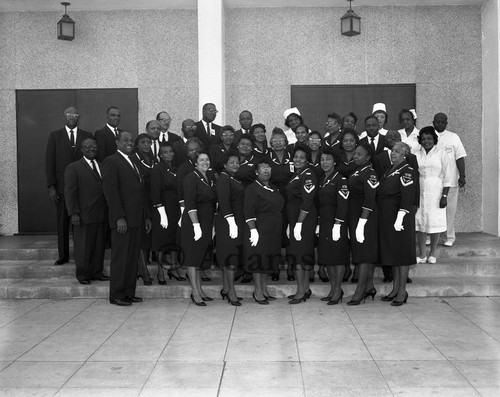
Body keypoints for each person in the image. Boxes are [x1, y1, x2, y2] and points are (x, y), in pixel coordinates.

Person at [102, 131, 152, 306]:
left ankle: (129, 293)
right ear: (117, 142)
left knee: (132, 259)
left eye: (132, 141)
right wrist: (119, 218)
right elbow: (111, 193)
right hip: (123, 221)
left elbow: (141, 192)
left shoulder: (134, 161)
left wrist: (146, 216)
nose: (129, 143)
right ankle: (116, 294)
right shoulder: (111, 162)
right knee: (121, 258)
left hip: (137, 219)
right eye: (126, 140)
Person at [45, 106, 93, 266]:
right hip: (62, 188)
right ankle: (63, 256)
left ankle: (83, 255)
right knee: (63, 223)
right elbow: (49, 162)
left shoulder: (87, 135)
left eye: (75, 114)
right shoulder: (55, 136)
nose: (72, 117)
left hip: (83, 188)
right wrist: (52, 186)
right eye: (69, 114)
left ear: (79, 117)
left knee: (81, 224)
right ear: (64, 116)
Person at [64, 137, 108, 285]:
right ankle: (83, 274)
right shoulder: (74, 167)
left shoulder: (102, 165)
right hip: (83, 215)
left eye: (94, 146)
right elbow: (70, 192)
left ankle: (97, 272)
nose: (92, 149)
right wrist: (73, 213)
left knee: (98, 245)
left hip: (100, 214)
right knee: (83, 246)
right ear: (82, 149)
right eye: (88, 146)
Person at [378, 142, 416, 306]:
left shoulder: (407, 171)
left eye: (398, 151)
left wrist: (400, 217)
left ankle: (402, 291)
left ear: (405, 155)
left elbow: (407, 196)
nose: (393, 153)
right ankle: (395, 289)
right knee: (393, 253)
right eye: (392, 150)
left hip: (399, 217)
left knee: (401, 255)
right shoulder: (390, 169)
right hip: (388, 216)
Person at [244, 159, 285, 304]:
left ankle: (264, 289)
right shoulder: (252, 188)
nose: (266, 170)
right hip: (259, 227)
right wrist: (253, 230)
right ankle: (258, 292)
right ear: (256, 172)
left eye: (268, 167)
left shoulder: (273, 187)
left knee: (267, 260)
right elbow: (248, 211)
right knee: (258, 260)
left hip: (272, 230)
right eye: (262, 168)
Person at [181, 152, 217, 306]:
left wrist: (213, 225)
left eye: (207, 159)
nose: (205, 162)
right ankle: (195, 293)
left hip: (207, 222)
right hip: (194, 223)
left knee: (200, 258)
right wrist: (196, 226)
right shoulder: (191, 178)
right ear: (195, 163)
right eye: (201, 160)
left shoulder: (210, 178)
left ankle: (200, 290)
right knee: (192, 258)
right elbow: (190, 204)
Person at [346, 142, 379, 306]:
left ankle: (360, 290)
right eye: (355, 154)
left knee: (364, 254)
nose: (355, 156)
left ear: (368, 157)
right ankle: (369, 286)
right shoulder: (358, 170)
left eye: (359, 154)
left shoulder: (370, 173)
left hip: (365, 217)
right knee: (361, 252)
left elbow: (370, 199)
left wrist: (362, 223)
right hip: (355, 215)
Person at [317, 147, 350, 305]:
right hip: (324, 221)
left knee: (337, 257)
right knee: (327, 257)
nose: (325, 162)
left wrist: (338, 224)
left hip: (336, 221)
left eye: (328, 159)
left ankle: (338, 290)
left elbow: (343, 205)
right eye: (322, 159)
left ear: (334, 161)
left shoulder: (340, 179)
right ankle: (332, 288)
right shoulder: (322, 179)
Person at [286, 144, 317, 304]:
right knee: (301, 255)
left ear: (307, 160)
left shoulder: (308, 174)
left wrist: (298, 223)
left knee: (299, 256)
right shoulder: (298, 174)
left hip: (304, 220)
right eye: (296, 157)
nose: (297, 159)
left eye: (301, 157)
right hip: (296, 219)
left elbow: (307, 200)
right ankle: (305, 289)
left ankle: (300, 291)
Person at [415, 127, 451, 264]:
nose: (426, 141)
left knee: (435, 222)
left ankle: (433, 253)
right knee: (420, 222)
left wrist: (444, 196)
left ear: (434, 139)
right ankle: (422, 254)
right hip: (420, 191)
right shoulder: (416, 155)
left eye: (429, 138)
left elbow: (448, 176)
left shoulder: (441, 153)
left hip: (436, 191)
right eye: (423, 139)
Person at [150, 142, 184, 283]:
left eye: (170, 151)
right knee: (162, 240)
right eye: (165, 152)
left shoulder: (176, 169)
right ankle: (160, 272)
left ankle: (174, 268)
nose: (169, 154)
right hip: (163, 209)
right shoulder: (157, 169)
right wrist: (161, 212)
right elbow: (155, 192)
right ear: (160, 155)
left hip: (175, 208)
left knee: (174, 239)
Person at [216, 151, 245, 306]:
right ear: (225, 164)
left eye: (237, 162)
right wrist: (231, 222)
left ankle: (226, 289)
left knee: (231, 257)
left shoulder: (232, 178)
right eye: (232, 162)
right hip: (228, 224)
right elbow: (224, 202)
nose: (235, 165)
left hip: (236, 222)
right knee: (230, 259)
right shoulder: (223, 179)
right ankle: (231, 293)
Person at [433, 112, 467, 247]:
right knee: (433, 209)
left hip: (451, 180)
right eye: (437, 121)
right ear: (433, 122)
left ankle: (450, 237)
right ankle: (431, 237)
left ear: (446, 123)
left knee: (450, 210)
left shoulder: (453, 137)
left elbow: (460, 157)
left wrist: (462, 176)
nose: (439, 124)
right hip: (433, 181)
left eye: (442, 122)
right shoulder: (428, 136)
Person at [267, 128, 294, 282]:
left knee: (289, 235)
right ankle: (274, 269)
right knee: (275, 233)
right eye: (275, 140)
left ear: (285, 141)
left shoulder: (292, 155)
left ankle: (291, 269)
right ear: (271, 143)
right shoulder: (267, 157)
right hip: (274, 198)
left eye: (280, 140)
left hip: (290, 198)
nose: (278, 142)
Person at [335, 128, 359, 282]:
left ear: (356, 142)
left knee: (356, 235)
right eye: (345, 140)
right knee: (342, 235)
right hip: (340, 201)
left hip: (357, 201)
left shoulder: (361, 155)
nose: (348, 143)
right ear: (341, 143)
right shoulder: (337, 156)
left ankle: (357, 267)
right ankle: (345, 266)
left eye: (351, 140)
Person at [132, 133, 157, 285]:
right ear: (137, 144)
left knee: (147, 239)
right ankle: (143, 272)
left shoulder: (153, 159)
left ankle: (142, 269)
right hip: (140, 203)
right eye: (143, 142)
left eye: (149, 142)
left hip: (152, 203)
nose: (147, 145)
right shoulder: (134, 159)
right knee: (140, 239)